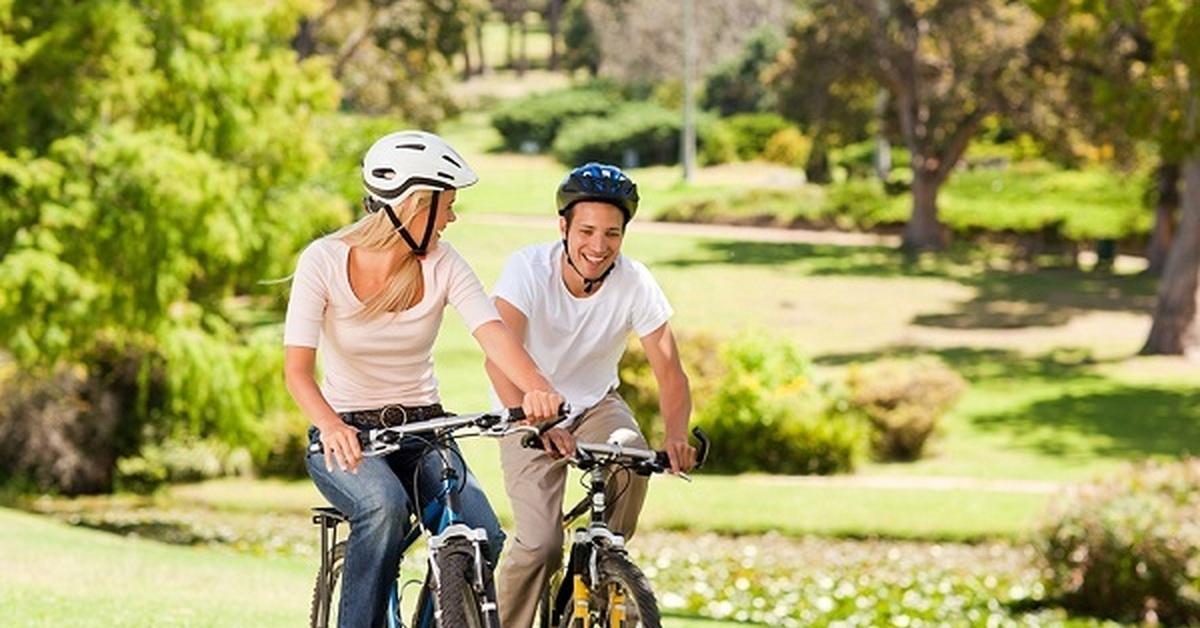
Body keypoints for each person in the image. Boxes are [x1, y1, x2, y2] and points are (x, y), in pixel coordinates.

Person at [283, 130, 564, 628]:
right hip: (347, 435)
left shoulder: (442, 263)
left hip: (425, 431)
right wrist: (330, 426)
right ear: (413, 206)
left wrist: (538, 387)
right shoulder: (322, 261)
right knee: (385, 508)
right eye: (447, 206)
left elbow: (493, 334)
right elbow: (298, 372)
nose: (453, 218)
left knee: (480, 531)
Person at [484, 162, 697, 628]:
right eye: (586, 231)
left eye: (612, 234)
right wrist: (538, 421)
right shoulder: (527, 268)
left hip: (597, 404)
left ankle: (605, 571)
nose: (598, 247)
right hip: (525, 407)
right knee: (541, 545)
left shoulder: (635, 281)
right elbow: (497, 357)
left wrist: (677, 435)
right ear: (562, 226)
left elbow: (670, 372)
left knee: (634, 456)